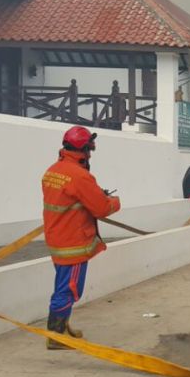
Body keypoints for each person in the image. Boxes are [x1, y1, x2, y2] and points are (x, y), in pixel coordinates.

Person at [41, 126, 121, 350]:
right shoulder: (80, 176)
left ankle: (62, 328)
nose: (91, 155)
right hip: (73, 243)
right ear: (84, 150)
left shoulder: (53, 171)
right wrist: (115, 201)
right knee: (69, 289)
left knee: (62, 285)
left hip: (57, 239)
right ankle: (56, 336)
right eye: (90, 150)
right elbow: (101, 208)